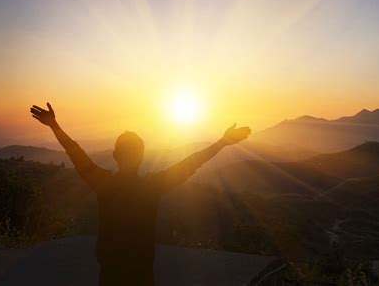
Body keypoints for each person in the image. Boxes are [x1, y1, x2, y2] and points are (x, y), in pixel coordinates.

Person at [30, 102, 251, 286]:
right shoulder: (152, 186)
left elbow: (75, 152)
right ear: (142, 156)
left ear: (115, 155)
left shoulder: (104, 183)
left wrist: (54, 126)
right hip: (142, 274)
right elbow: (192, 162)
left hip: (110, 273)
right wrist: (222, 142)